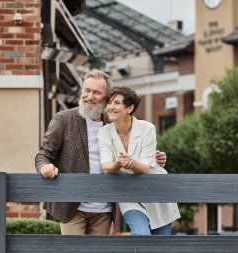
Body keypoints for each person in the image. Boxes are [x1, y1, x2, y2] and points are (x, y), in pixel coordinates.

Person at [35, 69, 167, 235]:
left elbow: (132, 148)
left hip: (104, 208)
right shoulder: (63, 119)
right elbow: (43, 155)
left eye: (96, 92)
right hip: (72, 207)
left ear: (106, 99)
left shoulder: (113, 120)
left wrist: (154, 159)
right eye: (86, 90)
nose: (89, 96)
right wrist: (44, 166)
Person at [98, 87, 180, 235]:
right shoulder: (104, 132)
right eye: (109, 102)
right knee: (142, 235)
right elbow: (106, 166)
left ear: (129, 108)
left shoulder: (147, 128)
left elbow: (145, 168)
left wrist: (132, 162)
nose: (110, 107)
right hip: (129, 194)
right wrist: (118, 164)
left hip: (156, 191)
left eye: (116, 103)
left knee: (160, 247)